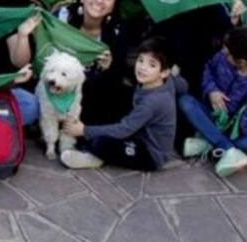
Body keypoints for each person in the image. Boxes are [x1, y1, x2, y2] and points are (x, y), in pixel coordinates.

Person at [62, 38, 187, 171]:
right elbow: (183, 87)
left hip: (149, 153)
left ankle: (95, 157)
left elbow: (124, 129)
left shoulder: (152, 102)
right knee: (109, 95)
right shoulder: (168, 81)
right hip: (138, 130)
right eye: (140, 60)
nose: (143, 68)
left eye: (152, 65)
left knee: (100, 143)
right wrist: (176, 76)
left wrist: (84, 130)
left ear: (164, 72)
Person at [178, 26, 247, 177]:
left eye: (228, 53)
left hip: (238, 131)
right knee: (185, 101)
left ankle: (210, 143)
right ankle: (227, 148)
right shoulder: (223, 57)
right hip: (213, 116)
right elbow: (208, 69)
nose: (223, 53)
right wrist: (211, 90)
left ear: (242, 61)